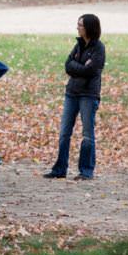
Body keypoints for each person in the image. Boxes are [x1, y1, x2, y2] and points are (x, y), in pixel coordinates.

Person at [43, 14, 105, 181]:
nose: (77, 27)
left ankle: (86, 170)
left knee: (87, 134)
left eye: (80, 25)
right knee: (64, 132)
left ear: (89, 28)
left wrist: (77, 68)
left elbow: (92, 71)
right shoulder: (78, 45)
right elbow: (67, 65)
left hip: (88, 95)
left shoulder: (98, 48)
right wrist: (80, 67)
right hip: (72, 93)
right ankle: (60, 169)